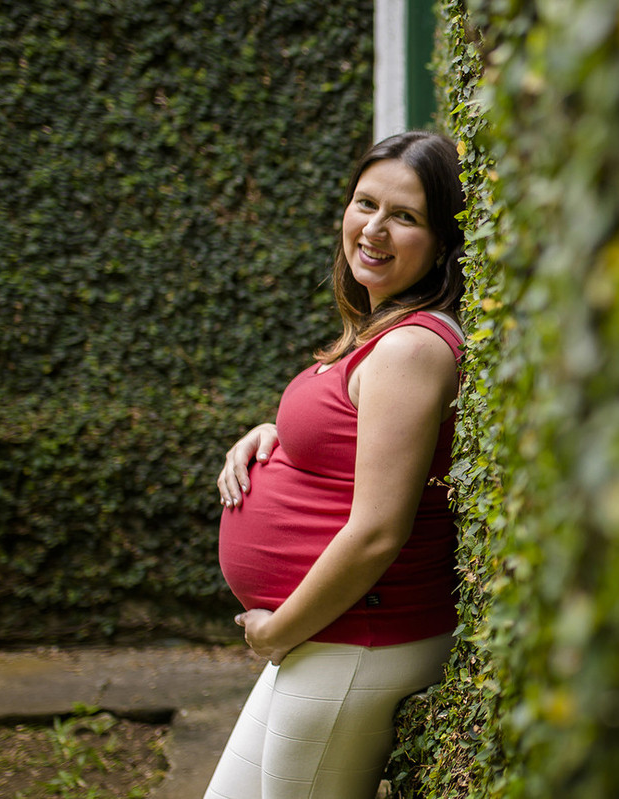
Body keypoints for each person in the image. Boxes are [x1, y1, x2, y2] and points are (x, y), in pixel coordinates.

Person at [204, 130, 467, 799]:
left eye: (405, 217)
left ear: (441, 241)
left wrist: (275, 630)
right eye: (365, 203)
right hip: (330, 635)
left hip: (357, 637)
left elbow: (379, 529)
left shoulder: (411, 348)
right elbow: (356, 437)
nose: (374, 229)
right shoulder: (381, 332)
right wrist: (278, 437)